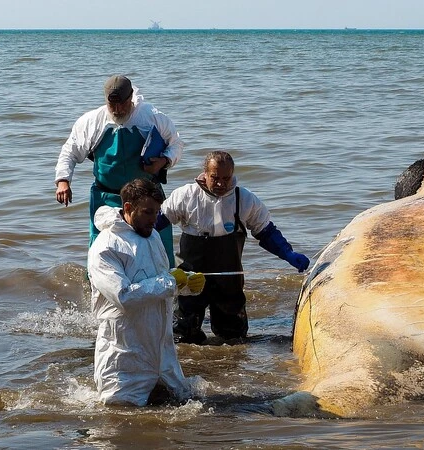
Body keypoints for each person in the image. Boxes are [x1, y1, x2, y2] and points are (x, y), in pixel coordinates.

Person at [159, 150, 311, 344]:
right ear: (205, 173)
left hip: (229, 277)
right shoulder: (185, 196)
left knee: (234, 339)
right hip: (191, 276)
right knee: (184, 336)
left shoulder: (245, 199)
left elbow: (266, 232)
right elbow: (155, 223)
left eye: (226, 177)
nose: (221, 184)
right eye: (215, 177)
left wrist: (288, 253)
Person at [87, 178, 206, 406]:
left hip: (162, 353)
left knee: (182, 413)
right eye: (148, 212)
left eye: (157, 212)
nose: (155, 219)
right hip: (125, 354)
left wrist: (186, 285)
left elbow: (156, 281)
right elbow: (124, 296)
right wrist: (171, 282)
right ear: (129, 208)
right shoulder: (105, 247)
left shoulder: (150, 235)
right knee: (120, 420)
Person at [54, 74, 184, 266]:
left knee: (158, 249)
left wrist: (163, 161)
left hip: (147, 197)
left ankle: (167, 290)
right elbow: (70, 151)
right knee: (102, 252)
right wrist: (63, 181)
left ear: (131, 97)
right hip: (106, 196)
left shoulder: (151, 116)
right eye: (111, 104)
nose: (117, 109)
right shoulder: (92, 121)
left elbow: (176, 144)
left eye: (122, 104)